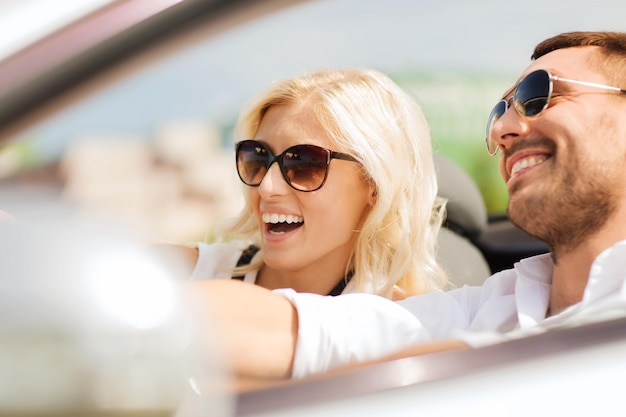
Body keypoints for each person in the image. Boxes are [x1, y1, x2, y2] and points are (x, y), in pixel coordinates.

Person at [188, 30, 626, 382]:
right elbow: (290, 333)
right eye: (499, 111)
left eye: (539, 93)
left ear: (376, 184)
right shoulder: (488, 309)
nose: (503, 130)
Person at [180, 68, 449, 299]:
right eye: (257, 157)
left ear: (375, 183)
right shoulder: (182, 275)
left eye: (303, 164)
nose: (267, 187)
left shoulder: (400, 327)